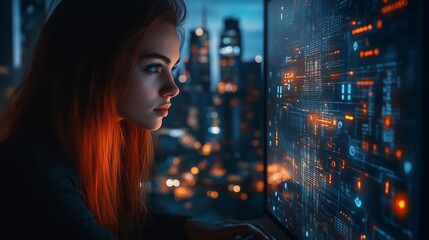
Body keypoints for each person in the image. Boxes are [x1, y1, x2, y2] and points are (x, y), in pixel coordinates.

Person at [0, 0, 271, 239]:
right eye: (153, 67)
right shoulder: (30, 167)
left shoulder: (99, 148)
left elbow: (122, 223)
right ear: (93, 65)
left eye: (172, 68)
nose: (173, 88)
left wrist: (190, 228)